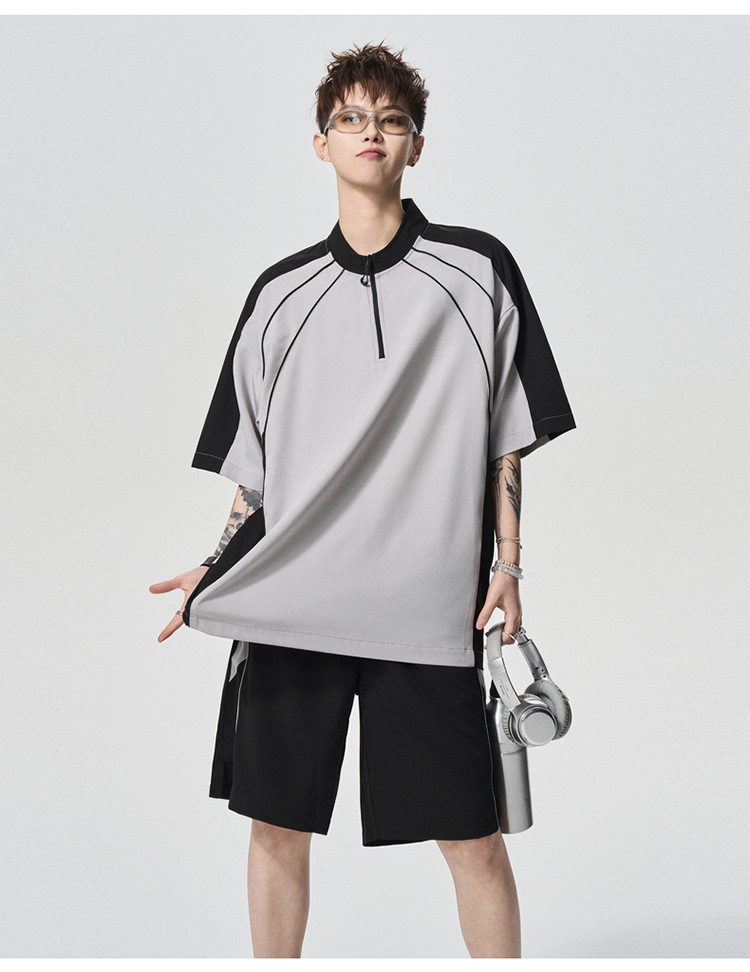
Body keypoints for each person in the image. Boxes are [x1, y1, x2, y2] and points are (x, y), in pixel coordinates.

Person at [150, 41, 576, 959]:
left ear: (416, 144)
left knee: (473, 837)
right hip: (292, 603)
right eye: (351, 118)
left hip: (424, 609)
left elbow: (506, 434)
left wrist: (508, 565)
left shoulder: (478, 272)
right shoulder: (279, 294)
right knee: (275, 829)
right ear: (322, 143)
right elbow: (256, 468)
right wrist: (219, 563)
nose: (370, 132)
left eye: (390, 119)